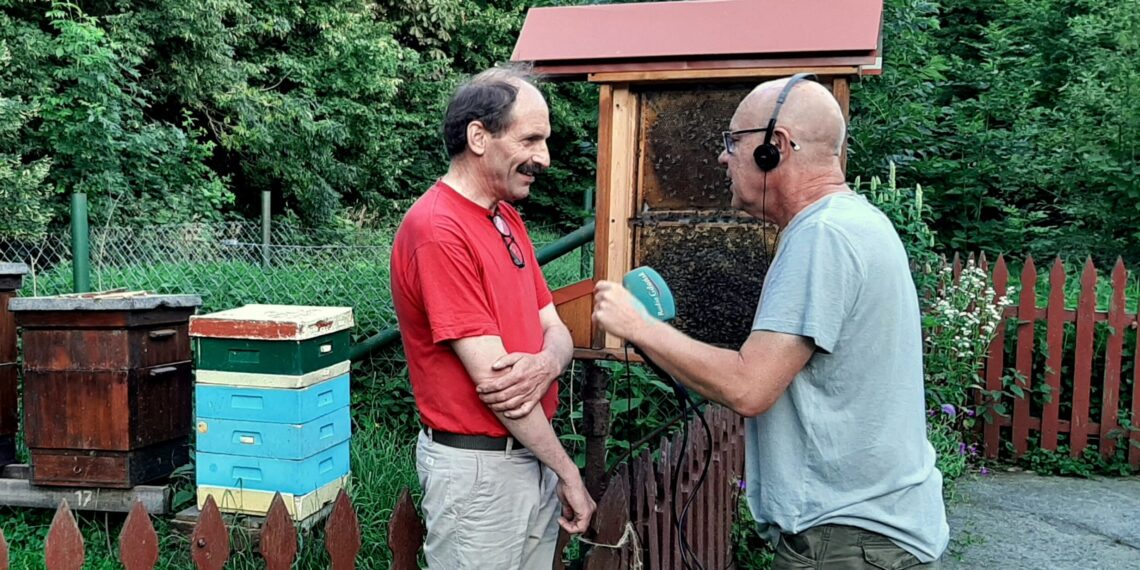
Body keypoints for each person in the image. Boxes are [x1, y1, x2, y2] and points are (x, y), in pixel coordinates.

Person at [592, 75, 949, 568]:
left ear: (773, 148)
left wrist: (639, 327)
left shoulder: (821, 236)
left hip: (847, 541)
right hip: (872, 534)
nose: (723, 157)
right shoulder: (858, 222)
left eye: (733, 142)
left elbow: (749, 386)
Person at [390, 65, 595, 569]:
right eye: (531, 140)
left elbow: (557, 329)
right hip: (479, 472)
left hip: (528, 456)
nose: (543, 158)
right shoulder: (438, 230)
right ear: (478, 137)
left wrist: (547, 364)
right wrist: (569, 472)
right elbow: (498, 385)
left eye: (544, 142)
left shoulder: (504, 216)